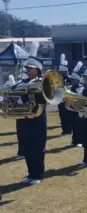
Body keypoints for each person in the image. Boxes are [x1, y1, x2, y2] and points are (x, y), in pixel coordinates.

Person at [15, 41, 47, 184]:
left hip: (38, 118)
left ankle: (37, 175)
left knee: (37, 147)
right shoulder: (24, 81)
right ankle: (30, 173)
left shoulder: (43, 82)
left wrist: (24, 98)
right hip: (25, 118)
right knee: (27, 147)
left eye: (30, 68)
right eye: (27, 68)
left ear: (38, 70)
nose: (28, 70)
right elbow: (14, 90)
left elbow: (42, 97)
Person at [68, 61, 83, 147]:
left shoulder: (80, 88)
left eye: (73, 80)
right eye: (72, 79)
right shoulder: (71, 87)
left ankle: (80, 140)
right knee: (74, 126)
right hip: (72, 109)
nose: (72, 81)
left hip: (78, 109)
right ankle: (74, 140)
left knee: (79, 126)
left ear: (77, 80)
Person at [58, 54, 72, 136]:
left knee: (68, 115)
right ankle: (64, 130)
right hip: (60, 99)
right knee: (62, 115)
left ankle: (69, 130)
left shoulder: (69, 78)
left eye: (62, 72)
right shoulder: (58, 78)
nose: (61, 73)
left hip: (68, 99)